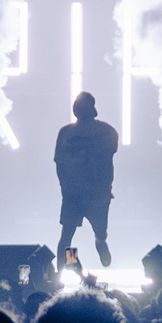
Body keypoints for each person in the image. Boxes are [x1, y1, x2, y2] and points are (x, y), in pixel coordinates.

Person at [53, 91, 119, 268]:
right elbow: (59, 163)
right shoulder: (67, 133)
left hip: (96, 194)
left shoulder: (106, 131)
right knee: (67, 238)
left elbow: (60, 163)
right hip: (76, 194)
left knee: (96, 233)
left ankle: (98, 244)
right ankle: (65, 270)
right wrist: (65, 186)